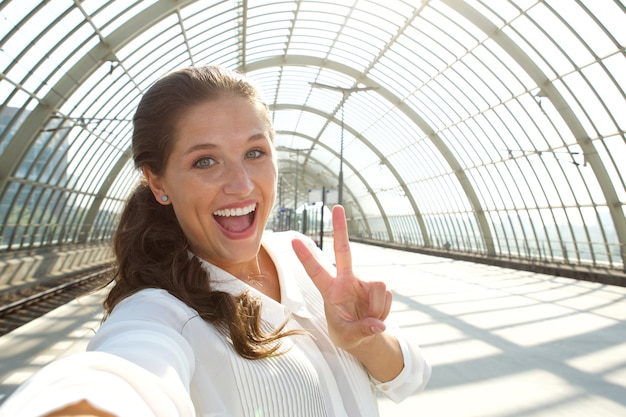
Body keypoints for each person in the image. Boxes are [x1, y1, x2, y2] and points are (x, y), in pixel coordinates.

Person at [0, 65, 430, 416]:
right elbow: (124, 375)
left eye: (255, 152)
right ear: (158, 181)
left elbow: (410, 376)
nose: (241, 185)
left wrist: (365, 339)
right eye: (205, 161)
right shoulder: (161, 315)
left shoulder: (301, 258)